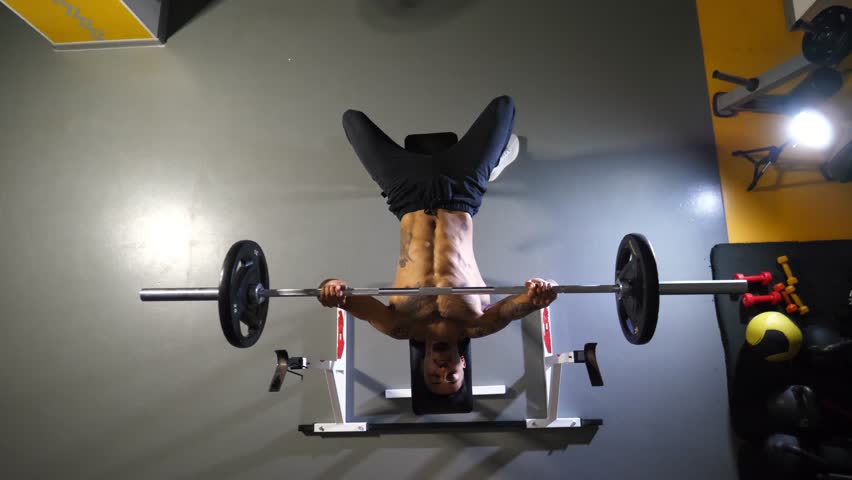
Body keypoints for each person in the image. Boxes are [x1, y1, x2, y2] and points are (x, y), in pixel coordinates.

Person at [318, 96, 557, 396]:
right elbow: (522, 304)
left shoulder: (399, 326)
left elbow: (342, 298)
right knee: (504, 107)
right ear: (463, 367)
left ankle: (490, 164)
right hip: (462, 190)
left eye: (434, 377)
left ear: (423, 368)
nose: (443, 371)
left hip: (405, 194)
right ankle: (491, 166)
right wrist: (543, 291)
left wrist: (330, 288)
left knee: (351, 120)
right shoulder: (479, 324)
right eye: (451, 377)